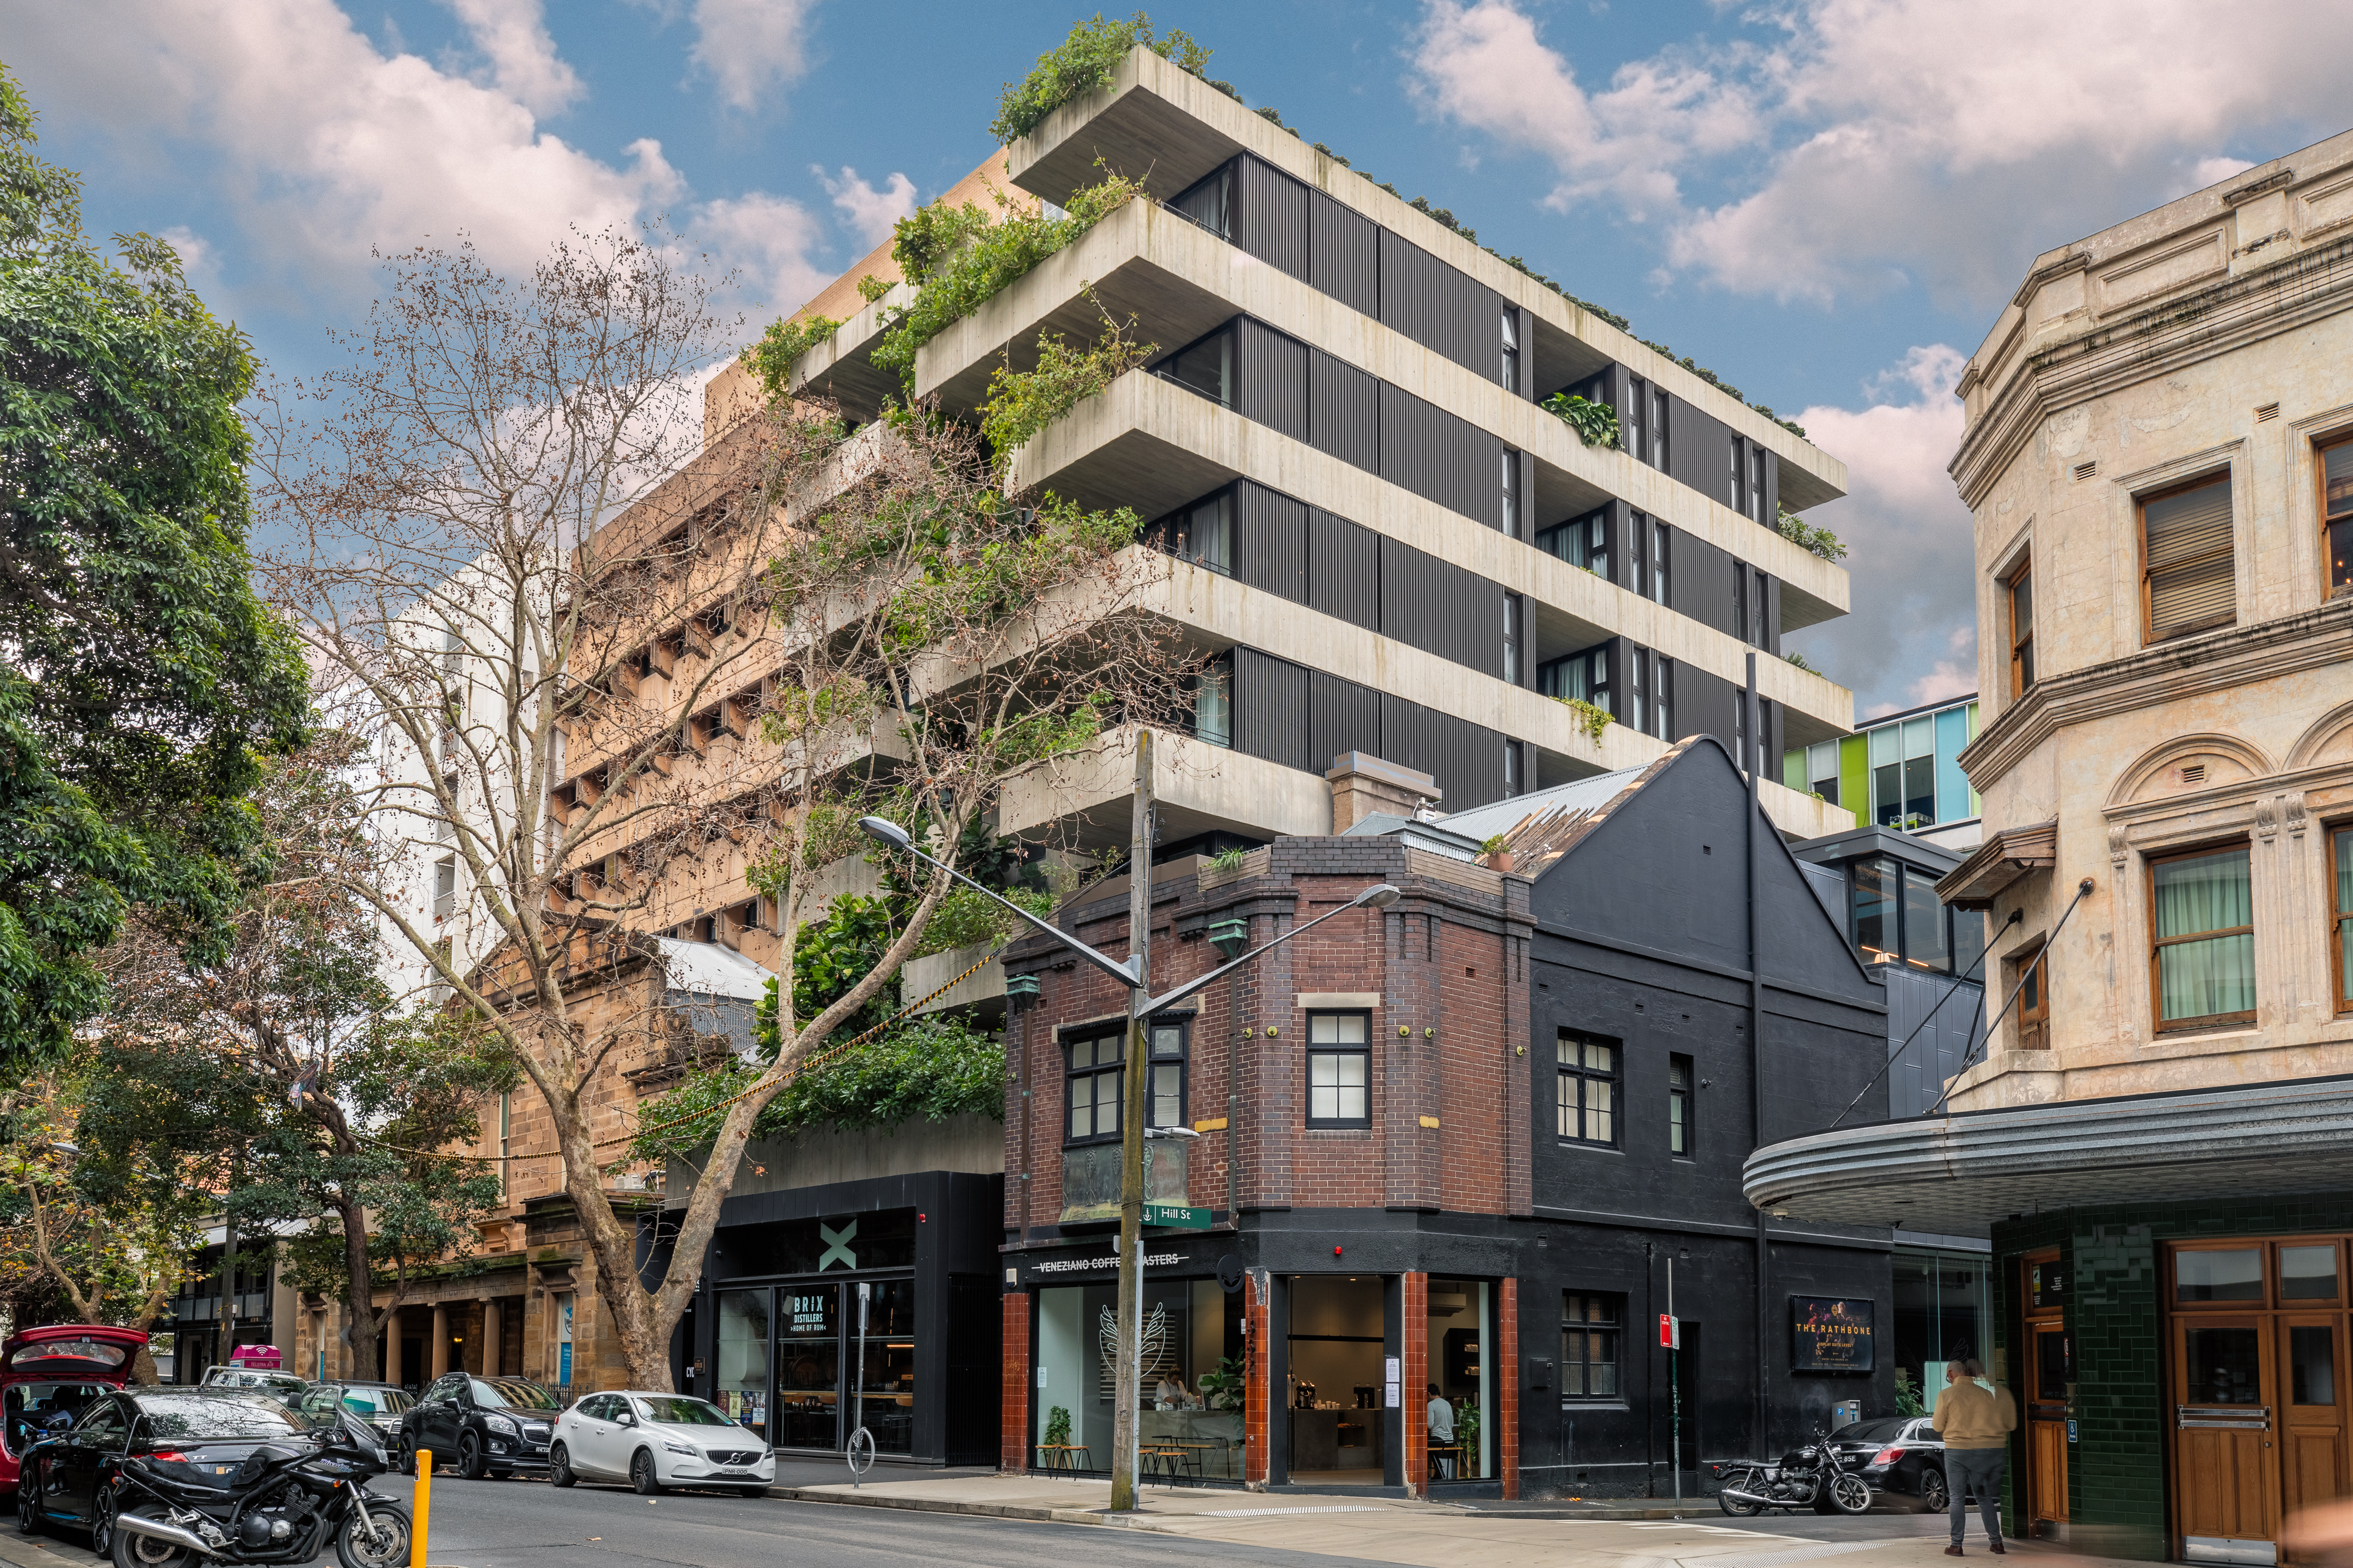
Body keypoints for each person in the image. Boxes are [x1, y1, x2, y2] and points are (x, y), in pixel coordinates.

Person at [1929, 1357, 2017, 1555]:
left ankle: (1956, 1545)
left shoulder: (1946, 1395)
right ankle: (1997, 1542)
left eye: (1948, 1375)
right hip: (1982, 1451)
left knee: (1957, 1499)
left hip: (1956, 1451)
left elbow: (1937, 1426)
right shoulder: (1986, 1395)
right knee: (1984, 1498)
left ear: (1951, 1374)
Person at [1427, 1383, 1455, 1478]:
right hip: (1450, 1440)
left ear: (1429, 1394)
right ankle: (1439, 1471)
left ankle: (1430, 1472)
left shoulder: (1431, 1405)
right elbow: (1451, 1425)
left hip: (1439, 1440)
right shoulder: (1447, 1403)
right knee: (1429, 1445)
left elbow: (1429, 1425)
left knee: (1420, 1443)